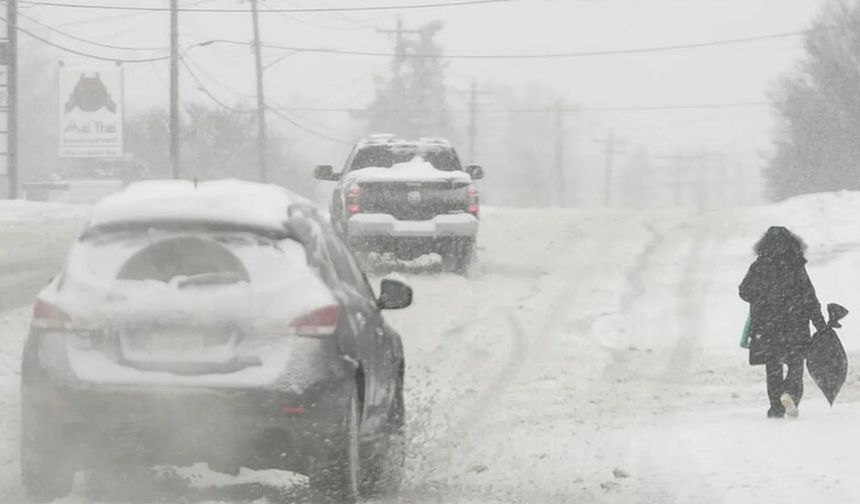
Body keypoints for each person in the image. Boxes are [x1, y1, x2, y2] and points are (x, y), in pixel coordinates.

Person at [739, 226, 827, 418]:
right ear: (791, 243)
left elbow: (744, 291)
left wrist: (762, 298)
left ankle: (776, 407)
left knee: (773, 368)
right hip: (796, 324)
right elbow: (809, 297)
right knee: (796, 365)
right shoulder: (796, 265)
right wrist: (820, 324)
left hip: (768, 326)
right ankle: (790, 394)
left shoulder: (759, 265)